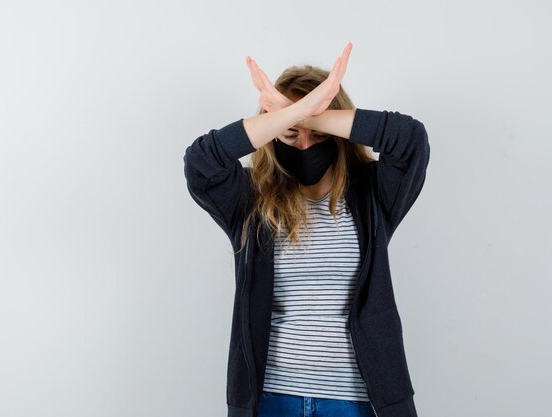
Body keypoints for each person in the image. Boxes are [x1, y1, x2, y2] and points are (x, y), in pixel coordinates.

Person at [183, 42, 430, 417]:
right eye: (290, 134)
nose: (305, 144)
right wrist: (294, 113)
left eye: (317, 134)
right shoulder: (249, 199)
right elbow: (200, 162)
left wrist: (312, 114)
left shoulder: (372, 194)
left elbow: (410, 139)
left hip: (359, 401)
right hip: (270, 400)